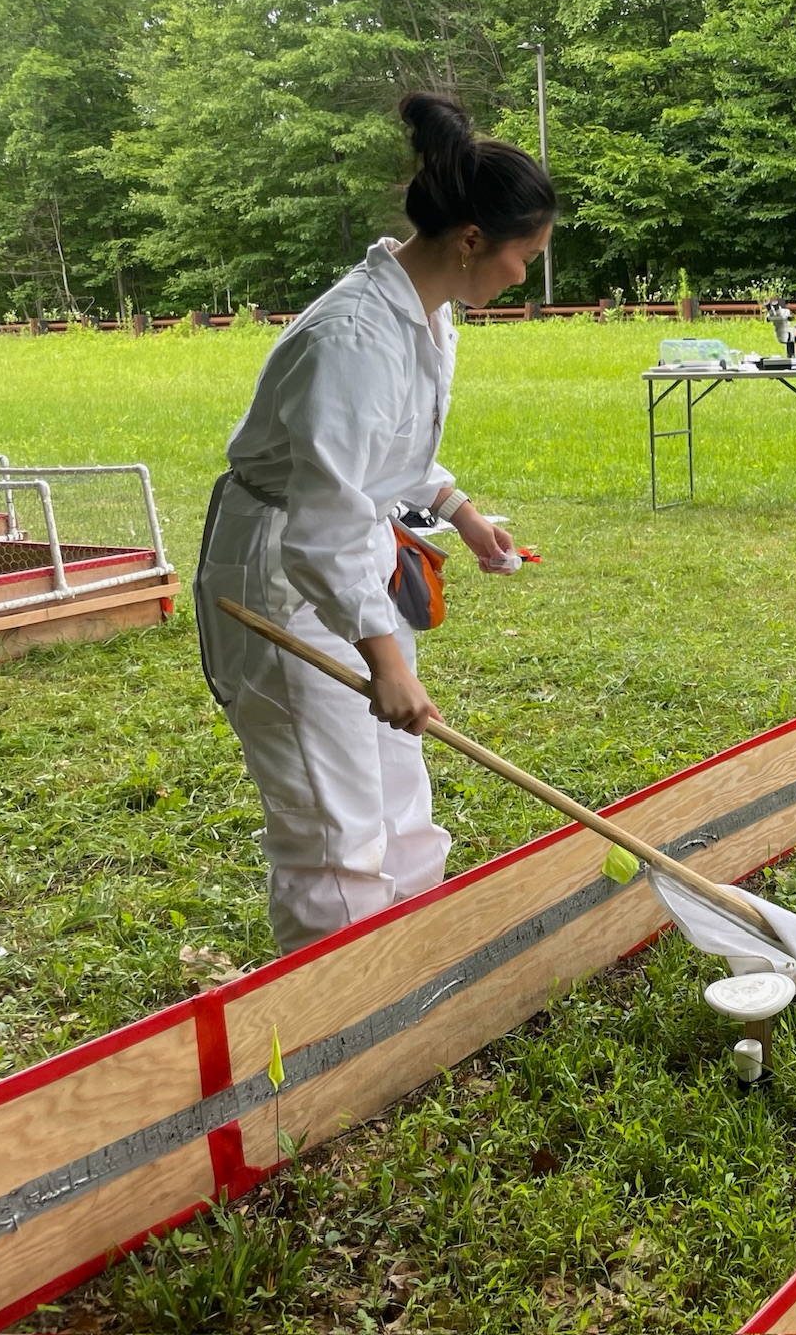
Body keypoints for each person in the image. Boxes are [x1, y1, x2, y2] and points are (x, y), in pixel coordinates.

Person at [195, 93, 555, 954]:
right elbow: (324, 520)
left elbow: (382, 453)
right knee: (333, 822)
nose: (525, 275)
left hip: (350, 556)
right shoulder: (353, 338)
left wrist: (458, 511)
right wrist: (383, 658)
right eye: (523, 255)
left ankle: (410, 973)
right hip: (283, 572)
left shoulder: (428, 314)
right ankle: (341, 1028)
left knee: (397, 783)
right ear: (470, 240)